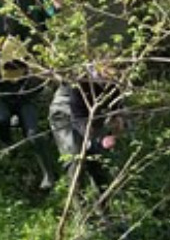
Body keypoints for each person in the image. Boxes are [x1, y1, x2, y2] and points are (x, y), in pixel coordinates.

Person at [0, 35, 57, 188]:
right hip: (3, 99)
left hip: (24, 100)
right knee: (1, 118)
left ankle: (48, 173)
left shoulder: (30, 63)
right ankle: (6, 144)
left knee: (33, 134)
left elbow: (46, 75)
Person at [49, 60, 124, 190]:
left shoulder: (113, 82)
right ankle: (79, 206)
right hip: (65, 114)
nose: (114, 76)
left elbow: (116, 107)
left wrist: (116, 122)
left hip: (92, 112)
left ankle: (104, 206)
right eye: (110, 71)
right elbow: (77, 115)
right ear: (101, 67)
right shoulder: (80, 79)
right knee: (75, 160)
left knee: (98, 161)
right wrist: (91, 138)